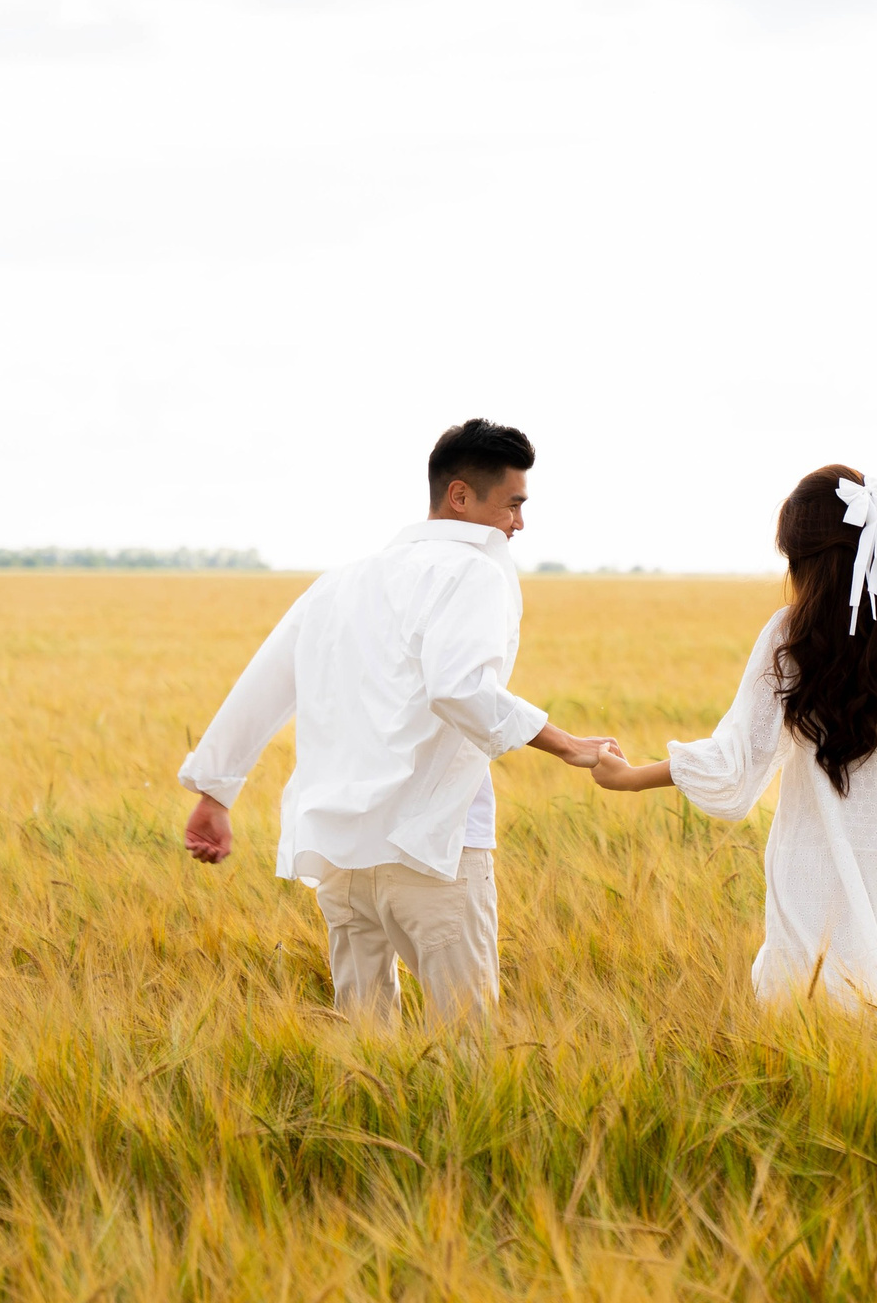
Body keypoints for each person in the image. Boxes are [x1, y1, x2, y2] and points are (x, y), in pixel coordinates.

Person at [179, 419, 618, 1022]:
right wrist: (567, 744)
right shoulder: (475, 571)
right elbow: (459, 687)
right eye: (513, 504)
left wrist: (216, 792)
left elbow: (267, 681)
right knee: (468, 1043)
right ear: (461, 495)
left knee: (364, 1034)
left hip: (339, 851)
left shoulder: (341, 582)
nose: (520, 523)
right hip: (432, 845)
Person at [590, 466, 877, 1010]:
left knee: (800, 1000)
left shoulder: (796, 634)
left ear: (818, 565)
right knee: (870, 1004)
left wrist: (633, 777)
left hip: (822, 859)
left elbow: (738, 754)